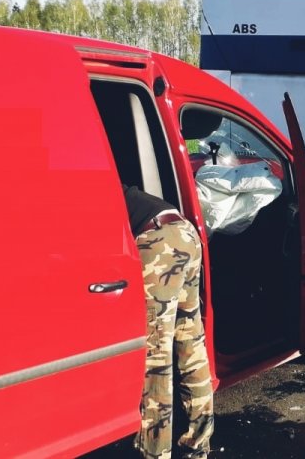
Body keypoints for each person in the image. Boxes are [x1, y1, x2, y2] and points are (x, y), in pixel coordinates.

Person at [125, 185, 213, 459]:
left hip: (157, 242)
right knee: (191, 345)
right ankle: (198, 445)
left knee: (155, 359)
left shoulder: (91, 190)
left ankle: (155, 452)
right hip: (185, 233)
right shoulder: (119, 187)